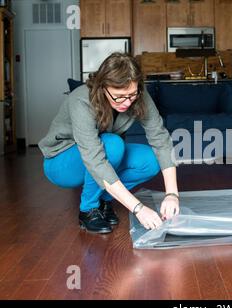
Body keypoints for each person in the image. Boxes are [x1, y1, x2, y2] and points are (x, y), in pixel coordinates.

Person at [39, 52, 179, 234]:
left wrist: (172, 194)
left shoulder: (138, 95)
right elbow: (94, 158)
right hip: (61, 163)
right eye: (118, 96)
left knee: (151, 160)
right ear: (102, 87)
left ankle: (103, 200)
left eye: (131, 95)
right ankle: (88, 210)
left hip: (102, 153)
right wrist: (138, 208)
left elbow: (160, 139)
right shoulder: (81, 99)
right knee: (113, 144)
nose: (126, 102)